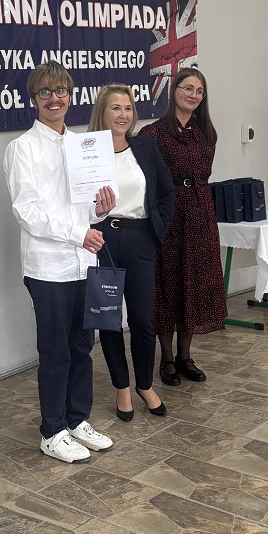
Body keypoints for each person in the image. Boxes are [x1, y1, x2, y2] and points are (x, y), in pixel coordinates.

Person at [4, 64, 117, 463]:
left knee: (82, 347)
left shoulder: (83, 146)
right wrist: (77, 234)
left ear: (71, 95)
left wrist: (101, 210)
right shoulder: (22, 149)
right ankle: (52, 431)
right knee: (55, 352)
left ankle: (76, 419)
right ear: (33, 99)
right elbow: (27, 211)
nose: (54, 99)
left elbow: (87, 208)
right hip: (48, 268)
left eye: (61, 91)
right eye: (45, 92)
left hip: (83, 263)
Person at [88, 84, 175, 421]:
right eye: (116, 108)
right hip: (103, 240)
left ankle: (144, 385)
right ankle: (122, 387)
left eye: (128, 108)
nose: (123, 114)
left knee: (142, 319)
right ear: (102, 112)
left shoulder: (145, 147)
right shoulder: (87, 151)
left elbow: (166, 193)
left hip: (140, 238)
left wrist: (156, 233)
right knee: (109, 319)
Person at [141, 66, 226, 386]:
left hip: (200, 215)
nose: (193, 95)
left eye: (199, 91)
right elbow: (144, 181)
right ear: (174, 90)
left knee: (194, 283)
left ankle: (185, 356)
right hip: (168, 217)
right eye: (187, 88)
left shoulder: (206, 133)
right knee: (167, 285)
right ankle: (166, 359)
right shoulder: (152, 134)